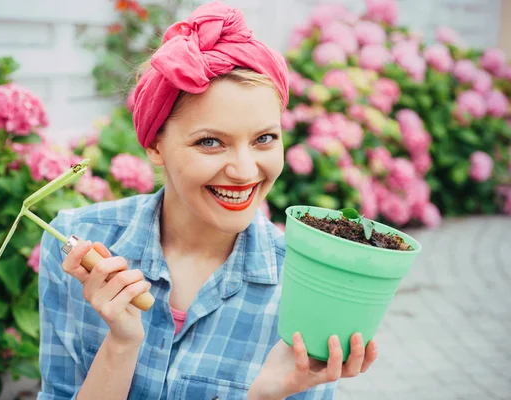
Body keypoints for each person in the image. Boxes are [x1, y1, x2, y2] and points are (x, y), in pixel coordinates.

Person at [37, 1, 378, 399]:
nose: (246, 170)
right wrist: (121, 346)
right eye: (211, 142)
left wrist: (264, 396)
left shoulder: (303, 289)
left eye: (264, 138)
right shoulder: (77, 243)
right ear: (155, 146)